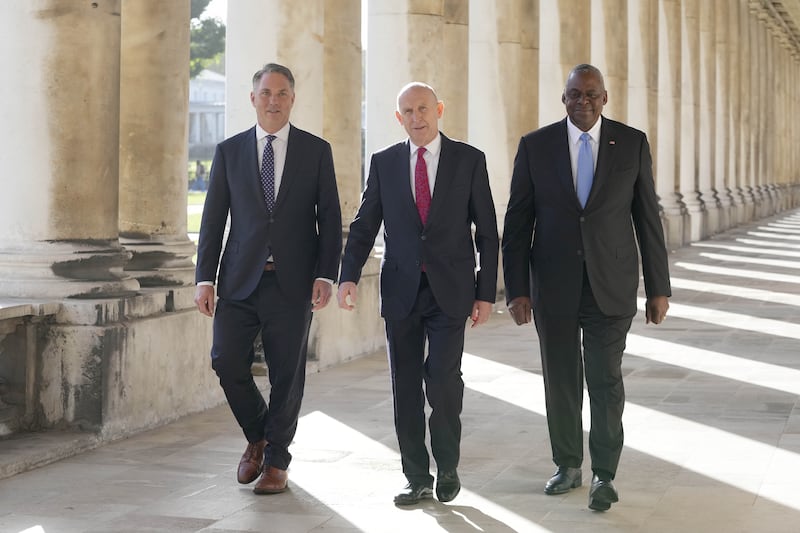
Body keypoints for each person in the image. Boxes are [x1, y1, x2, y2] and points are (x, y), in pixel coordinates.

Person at [501, 64, 671, 511]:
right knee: (561, 381)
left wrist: (659, 287)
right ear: (563, 99)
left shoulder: (631, 143)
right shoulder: (536, 147)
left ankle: (605, 474)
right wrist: (516, 288)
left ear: (605, 98)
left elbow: (647, 219)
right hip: (553, 286)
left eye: (591, 94)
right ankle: (567, 465)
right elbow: (517, 224)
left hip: (610, 286)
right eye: (574, 94)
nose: (583, 102)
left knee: (605, 379)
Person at [337, 82, 499, 506]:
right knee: (404, 385)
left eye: (423, 108)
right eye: (407, 111)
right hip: (401, 291)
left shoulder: (469, 160)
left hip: (451, 290)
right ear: (398, 118)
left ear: (439, 109)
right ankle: (416, 476)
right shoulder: (385, 162)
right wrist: (348, 275)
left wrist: (485, 294)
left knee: (443, 382)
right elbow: (364, 223)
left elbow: (487, 232)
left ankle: (447, 467)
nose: (416, 118)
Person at [194, 63, 342, 495]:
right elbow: (212, 220)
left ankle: (277, 459)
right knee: (225, 359)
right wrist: (205, 278)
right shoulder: (229, 151)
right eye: (265, 92)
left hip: (292, 281)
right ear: (253, 97)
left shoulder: (316, 151)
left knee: (287, 373)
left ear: (292, 99)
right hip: (239, 278)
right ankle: (258, 434)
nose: (273, 100)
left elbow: (329, 219)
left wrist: (325, 274)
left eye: (281, 93)